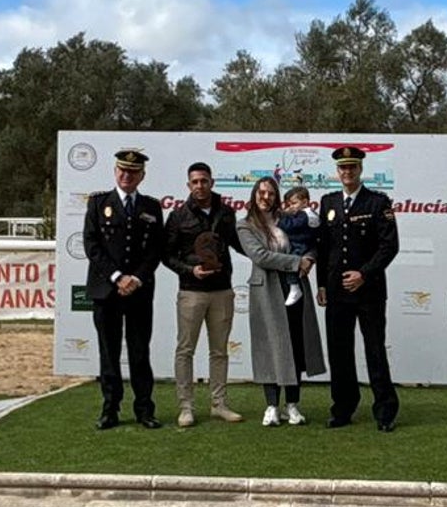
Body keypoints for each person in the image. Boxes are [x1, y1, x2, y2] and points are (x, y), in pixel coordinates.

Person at [316, 146, 400, 431]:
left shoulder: (378, 202)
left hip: (369, 292)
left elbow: (390, 246)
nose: (347, 172)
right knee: (339, 353)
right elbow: (324, 248)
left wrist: (363, 274)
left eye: (352, 167)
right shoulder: (328, 202)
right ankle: (342, 409)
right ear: (337, 171)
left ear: (360, 169)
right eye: (342, 168)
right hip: (338, 292)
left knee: (375, 351)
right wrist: (322, 285)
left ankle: (385, 412)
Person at [84, 149, 165, 430]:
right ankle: (110, 409)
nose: (126, 176)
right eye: (122, 170)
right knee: (108, 353)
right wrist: (118, 277)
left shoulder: (152, 207)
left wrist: (136, 279)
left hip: (139, 292)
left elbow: (155, 250)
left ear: (142, 175)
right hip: (107, 292)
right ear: (115, 172)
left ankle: (145, 409)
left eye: (133, 172)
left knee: (139, 352)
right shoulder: (97, 203)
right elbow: (92, 246)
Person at [237, 177, 326, 427]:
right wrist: (297, 263)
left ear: (277, 197)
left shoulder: (287, 218)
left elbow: (311, 242)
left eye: (271, 193)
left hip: (295, 287)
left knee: (295, 345)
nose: (266, 197)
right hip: (266, 290)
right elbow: (261, 256)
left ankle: (292, 406)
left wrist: (308, 257)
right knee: (270, 347)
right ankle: (272, 406)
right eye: (261, 193)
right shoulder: (244, 225)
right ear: (255, 195)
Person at [163, 162, 245, 427]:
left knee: (219, 351)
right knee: (185, 350)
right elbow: (166, 255)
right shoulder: (178, 216)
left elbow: (241, 244)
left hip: (222, 291)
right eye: (195, 182)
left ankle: (219, 404)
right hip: (191, 292)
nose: (200, 186)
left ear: (212, 182)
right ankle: (186, 407)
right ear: (189, 185)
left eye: (204, 181)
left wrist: (271, 253)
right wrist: (190, 270)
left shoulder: (226, 212)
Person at [277, 186, 320, 307]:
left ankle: (294, 287)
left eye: (294, 203)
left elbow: (291, 226)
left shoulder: (305, 215)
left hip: (300, 246)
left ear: (305, 202)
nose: (291, 207)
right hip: (303, 244)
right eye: (289, 205)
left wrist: (282, 218)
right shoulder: (308, 213)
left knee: (292, 262)